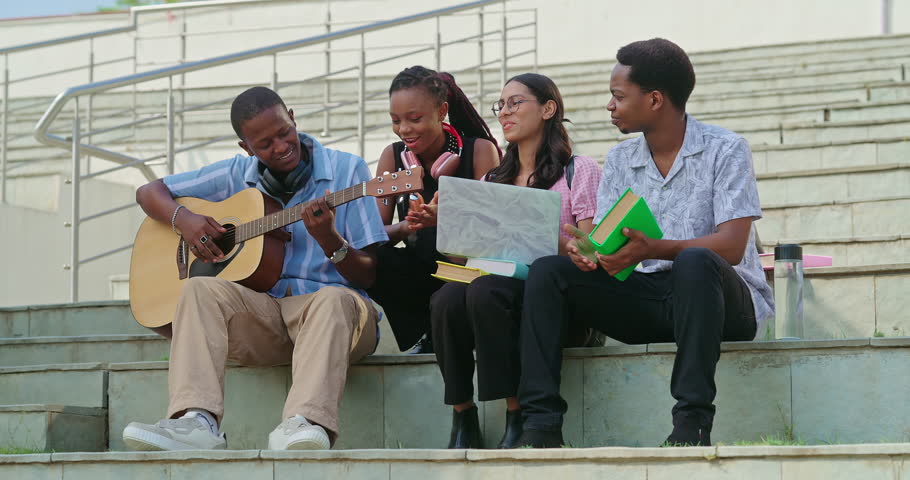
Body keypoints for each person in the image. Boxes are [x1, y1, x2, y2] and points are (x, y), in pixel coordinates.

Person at [515, 38, 774, 448]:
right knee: (549, 271)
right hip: (651, 299)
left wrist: (655, 248)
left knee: (696, 262)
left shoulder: (726, 149)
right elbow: (610, 243)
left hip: (722, 303)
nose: (610, 105)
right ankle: (540, 426)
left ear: (655, 99)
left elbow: (730, 246)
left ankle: (692, 424)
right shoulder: (619, 159)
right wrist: (589, 252)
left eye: (618, 96)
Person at [121, 86, 388, 451]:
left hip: (339, 320)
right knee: (198, 289)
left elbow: (370, 274)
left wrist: (330, 240)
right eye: (265, 144)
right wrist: (185, 220)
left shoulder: (348, 170)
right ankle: (196, 422)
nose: (280, 146)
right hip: (266, 318)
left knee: (332, 299)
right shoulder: (235, 174)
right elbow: (148, 193)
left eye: (284, 132)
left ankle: (305, 423)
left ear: (292, 117)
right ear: (246, 148)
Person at [429, 73, 601, 448]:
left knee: (486, 291)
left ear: (548, 109)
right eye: (501, 105)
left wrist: (537, 232)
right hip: (496, 284)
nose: (504, 112)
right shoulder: (494, 178)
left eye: (515, 102)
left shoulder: (578, 170)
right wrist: (447, 224)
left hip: (552, 298)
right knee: (446, 298)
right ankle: (463, 415)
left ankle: (516, 411)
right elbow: (468, 255)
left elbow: (590, 250)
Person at [367, 66, 501, 354]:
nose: (404, 129)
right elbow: (374, 234)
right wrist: (408, 226)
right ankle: (422, 334)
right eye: (395, 120)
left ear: (442, 112)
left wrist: (445, 219)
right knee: (372, 257)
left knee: (436, 238)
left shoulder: (479, 151)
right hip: (420, 272)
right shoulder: (392, 156)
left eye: (414, 119)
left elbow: (492, 233)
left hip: (467, 270)